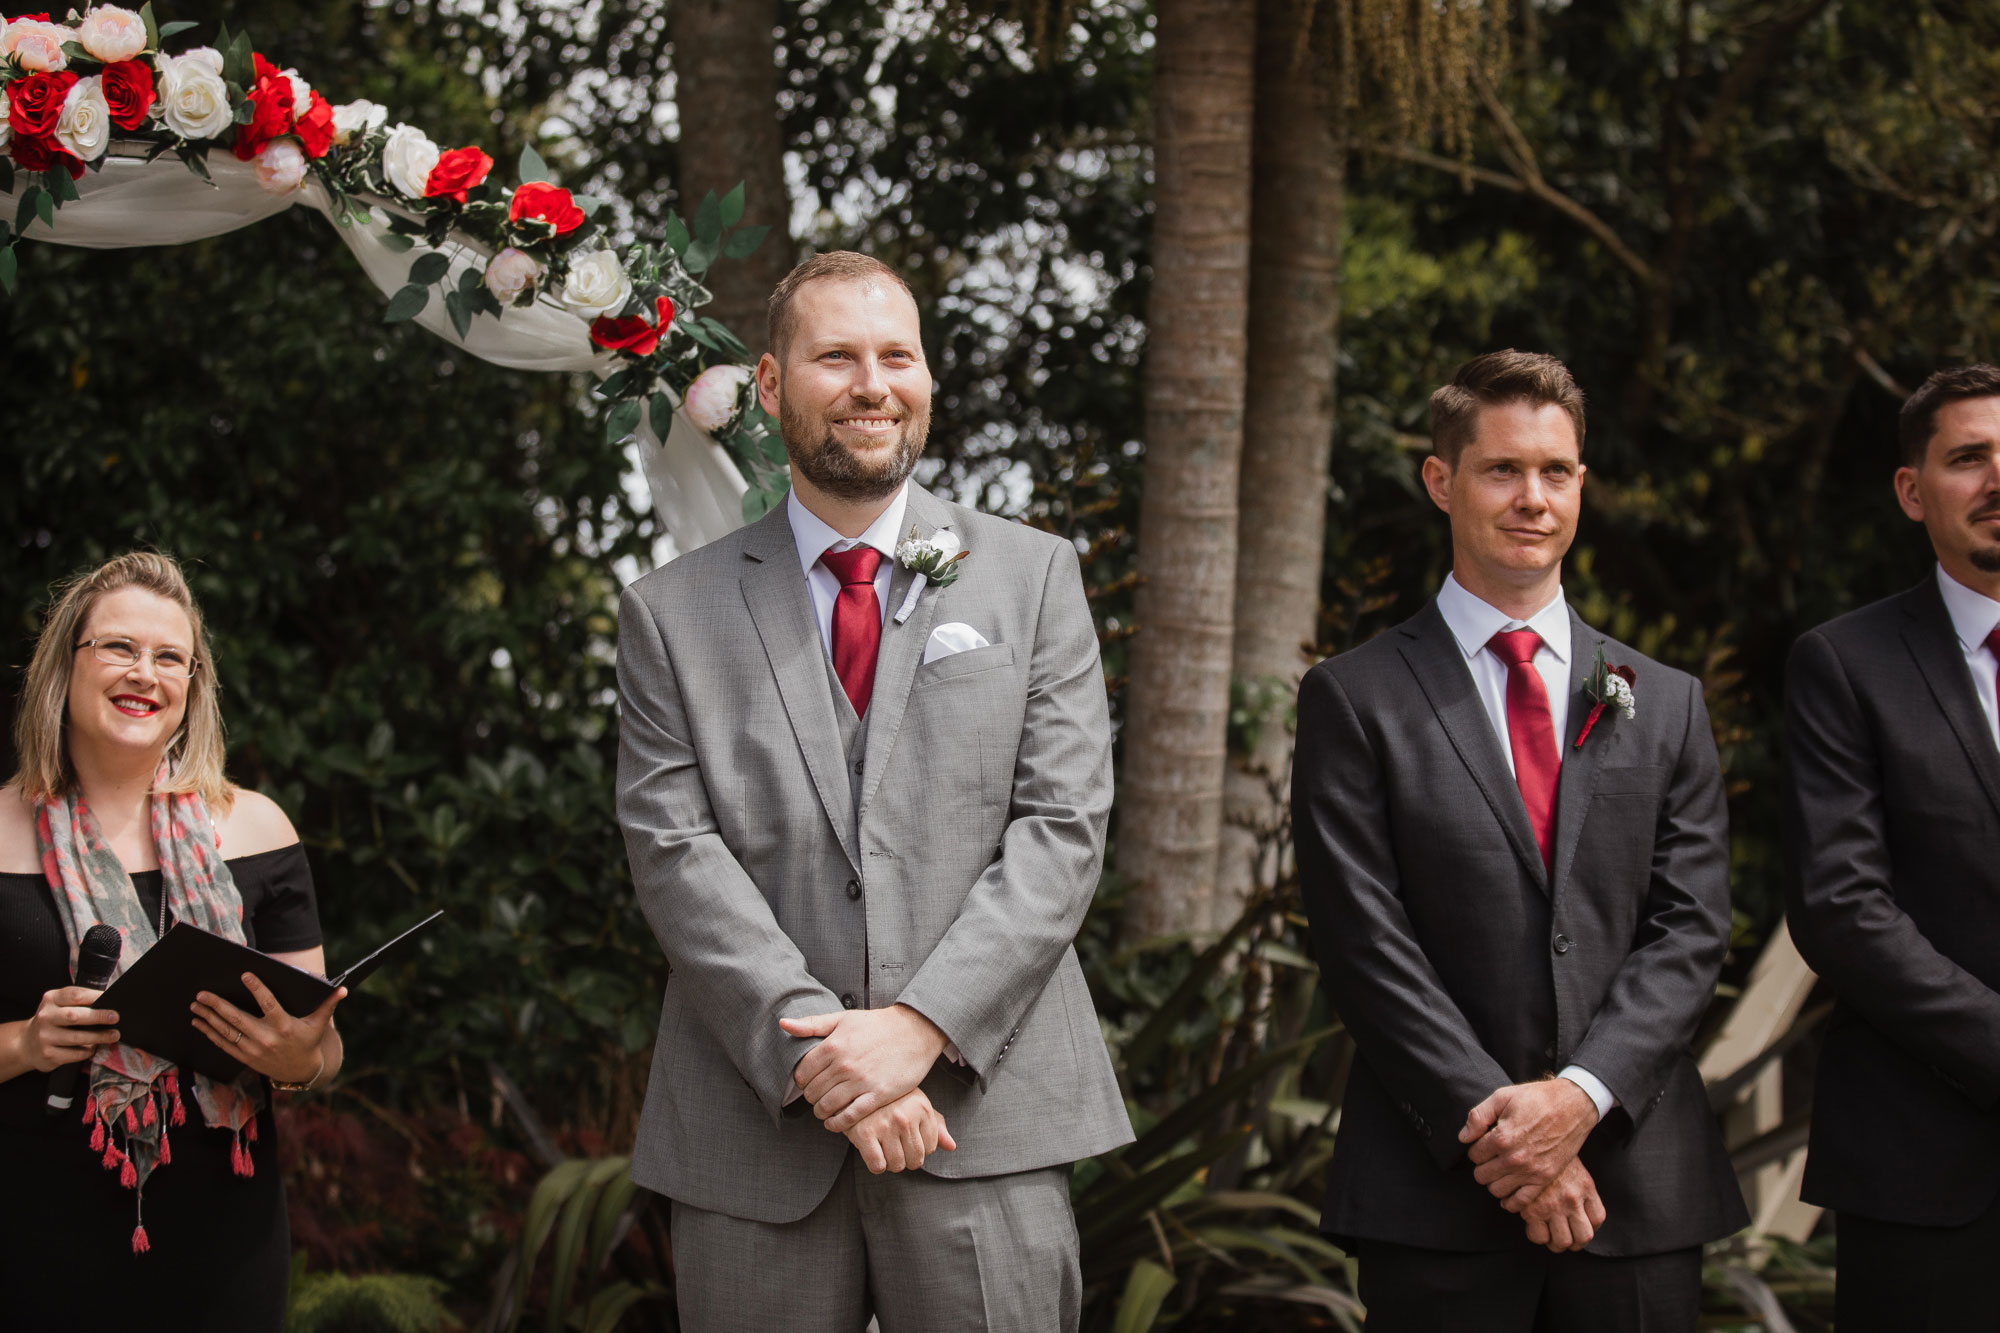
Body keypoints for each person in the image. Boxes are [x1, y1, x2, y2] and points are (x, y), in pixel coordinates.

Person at [615, 250, 1131, 1330]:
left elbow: (1061, 828)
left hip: (981, 1122)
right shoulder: (670, 613)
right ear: (767, 384)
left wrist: (918, 1028)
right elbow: (673, 851)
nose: (871, 383)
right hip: (754, 1137)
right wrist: (825, 1051)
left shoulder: (1033, 577)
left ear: (927, 379)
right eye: (835, 356)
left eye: (896, 355)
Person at [1290, 351, 1747, 1331]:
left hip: (1633, 1185)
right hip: (1436, 1192)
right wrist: (1506, 1138)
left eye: (1555, 472)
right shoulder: (1354, 696)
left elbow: (1690, 929)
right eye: (1501, 470)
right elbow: (1362, 943)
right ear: (1440, 480)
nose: (1530, 497)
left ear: (1580, 483)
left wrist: (1578, 1099)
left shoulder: (1664, 702)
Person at [0, 552, 344, 1330]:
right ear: (67, 665)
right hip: (31, 1240)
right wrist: (26, 1041)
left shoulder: (259, 830)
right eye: (119, 647)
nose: (144, 673)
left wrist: (299, 1062)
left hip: (225, 1250)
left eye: (170, 657)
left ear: (193, 685)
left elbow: (324, 1050)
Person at [1782, 363, 2000, 1328]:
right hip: (1928, 1176)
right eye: (1969, 458)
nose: (1999, 480)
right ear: (1914, 491)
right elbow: (1841, 905)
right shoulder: (1844, 663)